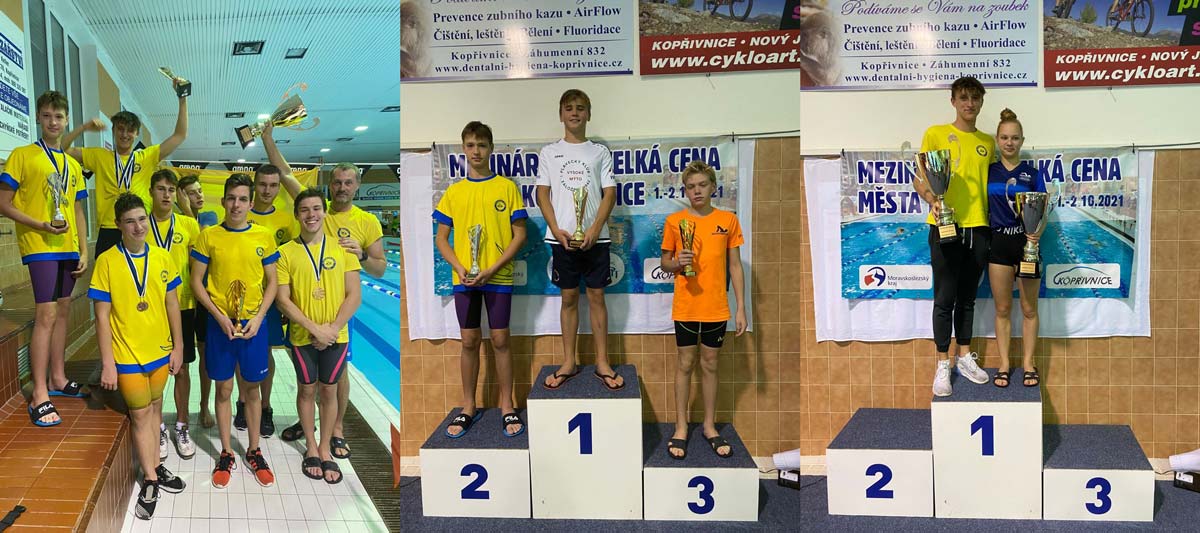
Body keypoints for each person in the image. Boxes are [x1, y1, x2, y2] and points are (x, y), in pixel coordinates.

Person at [261, 123, 386, 459]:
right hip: (306, 314)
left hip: (339, 311)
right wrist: (268, 139)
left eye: (348, 182)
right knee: (308, 378)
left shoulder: (366, 221)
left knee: (336, 376)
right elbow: (285, 173)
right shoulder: (317, 210)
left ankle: (337, 429)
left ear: (357, 185)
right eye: (337, 182)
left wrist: (361, 254)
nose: (342, 187)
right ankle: (310, 426)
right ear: (330, 185)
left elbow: (380, 267)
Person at [90, 193, 187, 519]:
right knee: (142, 414)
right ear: (118, 225)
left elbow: (172, 304)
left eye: (142, 219)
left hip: (160, 351)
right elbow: (101, 316)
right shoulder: (107, 261)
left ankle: (156, 467)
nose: (138, 226)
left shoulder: (162, 257)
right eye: (130, 221)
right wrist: (108, 363)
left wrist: (178, 346)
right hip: (127, 354)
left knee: (156, 408)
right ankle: (150, 478)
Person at [0, 90, 90, 427]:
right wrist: (39, 224)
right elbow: (3, 202)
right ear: (38, 117)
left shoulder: (72, 165)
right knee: (47, 314)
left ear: (66, 121)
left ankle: (58, 377)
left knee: (63, 310)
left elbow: (77, 210)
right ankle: (39, 393)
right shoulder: (22, 155)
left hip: (67, 246)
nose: (53, 122)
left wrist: (83, 249)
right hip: (39, 244)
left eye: (59, 116)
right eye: (48, 116)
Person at [433, 121, 527, 437]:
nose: (476, 151)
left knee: (501, 339)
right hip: (465, 279)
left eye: (482, 145)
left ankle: (507, 405)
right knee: (469, 341)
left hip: (498, 276)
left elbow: (519, 235)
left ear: (491, 148)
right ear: (463, 149)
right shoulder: (454, 192)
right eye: (471, 145)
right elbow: (441, 238)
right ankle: (468, 406)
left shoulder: (506, 188)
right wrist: (460, 268)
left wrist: (493, 267)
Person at [190, 174, 278, 489]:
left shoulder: (263, 236)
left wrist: (260, 317)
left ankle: (254, 450)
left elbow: (273, 282)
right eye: (231, 198)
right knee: (224, 389)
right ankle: (227, 452)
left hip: (253, 324)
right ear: (223, 200)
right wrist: (218, 316)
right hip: (220, 325)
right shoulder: (209, 236)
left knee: (252, 390)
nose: (236, 205)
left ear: (251, 203)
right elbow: (196, 282)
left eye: (242, 199)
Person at [536, 89, 623, 392]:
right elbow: (542, 194)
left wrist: (595, 229)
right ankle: (569, 361)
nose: (575, 113)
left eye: (580, 108)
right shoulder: (549, 153)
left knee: (597, 297)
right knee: (569, 299)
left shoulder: (599, 152)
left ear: (589, 114)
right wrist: (556, 228)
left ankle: (602, 362)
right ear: (561, 114)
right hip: (562, 240)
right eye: (569, 108)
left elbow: (609, 194)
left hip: (596, 240)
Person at [659, 161, 746, 459]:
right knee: (685, 364)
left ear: (713, 187)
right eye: (691, 187)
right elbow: (665, 263)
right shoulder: (675, 222)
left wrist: (741, 308)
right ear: (685, 190)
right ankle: (681, 427)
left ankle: (709, 425)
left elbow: (735, 266)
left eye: (702, 185)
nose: (696, 191)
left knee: (710, 364)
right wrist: (677, 263)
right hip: (686, 306)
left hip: (716, 308)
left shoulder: (728, 221)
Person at [912, 76, 993, 397]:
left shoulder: (988, 143)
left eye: (974, 98)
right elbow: (920, 179)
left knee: (968, 299)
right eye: (963, 98)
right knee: (945, 298)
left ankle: (964, 357)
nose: (969, 104)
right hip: (945, 225)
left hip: (979, 227)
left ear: (981, 102)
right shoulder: (935, 134)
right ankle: (942, 363)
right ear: (953, 101)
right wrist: (932, 200)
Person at [275, 188, 362, 482]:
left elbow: (354, 295)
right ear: (296, 215)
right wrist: (316, 330)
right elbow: (283, 299)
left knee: (329, 390)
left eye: (316, 209)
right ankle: (311, 446)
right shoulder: (286, 252)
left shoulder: (343, 249)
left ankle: (325, 448)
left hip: (336, 335)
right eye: (304, 210)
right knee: (306, 390)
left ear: (324, 212)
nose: (311, 215)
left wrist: (332, 329)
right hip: (303, 336)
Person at [61, 77, 188, 258]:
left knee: (140, 274)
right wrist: (83, 127)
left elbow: (180, 135)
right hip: (109, 228)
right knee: (106, 275)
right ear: (113, 130)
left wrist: (182, 99)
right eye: (120, 129)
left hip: (139, 227)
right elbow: (62, 149)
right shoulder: (99, 156)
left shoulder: (146, 157)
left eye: (130, 130)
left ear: (137, 134)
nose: (125, 134)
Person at [987, 109, 1046, 389]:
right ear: (997, 140)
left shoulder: (1032, 174)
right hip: (999, 244)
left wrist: (1036, 235)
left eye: (1014, 138)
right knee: (1002, 308)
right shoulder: (989, 172)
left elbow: (1043, 210)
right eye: (1004, 137)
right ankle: (1004, 364)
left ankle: (1028, 364)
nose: (1009, 142)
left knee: (1029, 309)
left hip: (1026, 245)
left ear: (1022, 140)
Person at [242, 164, 301, 438]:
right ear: (254, 185)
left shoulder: (287, 220)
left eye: (273, 185)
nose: (267, 190)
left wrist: (290, 300)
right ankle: (243, 403)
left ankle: (265, 407)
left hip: (273, 299)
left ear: (279, 188)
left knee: (265, 353)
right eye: (263, 184)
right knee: (240, 354)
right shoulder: (241, 212)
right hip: (242, 298)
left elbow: (293, 262)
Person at [146, 170, 202, 459]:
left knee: (182, 369)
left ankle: (181, 425)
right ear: (151, 192)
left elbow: (198, 268)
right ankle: (158, 427)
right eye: (161, 189)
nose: (166, 194)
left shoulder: (189, 224)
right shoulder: (142, 224)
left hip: (183, 306)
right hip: (151, 308)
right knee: (154, 370)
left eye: (171, 190)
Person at [176, 173, 218, 429]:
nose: (199, 195)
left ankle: (204, 405)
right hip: (180, 299)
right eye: (192, 192)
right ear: (181, 196)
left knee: (205, 353)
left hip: (203, 296)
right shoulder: (174, 221)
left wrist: (187, 211)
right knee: (181, 359)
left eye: (200, 190)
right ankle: (182, 411)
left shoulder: (209, 218)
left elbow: (203, 245)